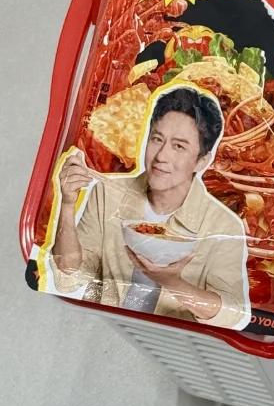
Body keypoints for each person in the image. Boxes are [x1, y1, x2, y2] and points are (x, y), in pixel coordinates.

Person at [48, 86, 250, 329]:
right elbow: (70, 278)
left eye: (179, 146)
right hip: (107, 327)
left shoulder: (224, 227)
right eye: (157, 139)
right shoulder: (107, 193)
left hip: (169, 339)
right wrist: (67, 204)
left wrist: (174, 283)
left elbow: (232, 313)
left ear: (201, 161)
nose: (161, 156)